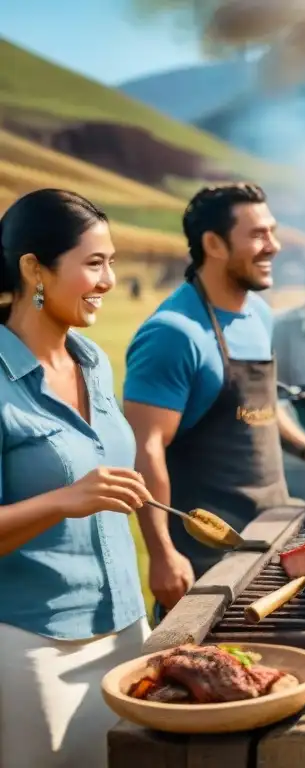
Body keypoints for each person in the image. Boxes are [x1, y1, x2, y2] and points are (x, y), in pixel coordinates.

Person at [123, 183, 305, 617]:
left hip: (272, 536)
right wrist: (160, 553)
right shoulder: (174, 333)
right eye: (257, 235)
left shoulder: (257, 313)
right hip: (207, 563)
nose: (273, 245)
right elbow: (145, 448)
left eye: (272, 231)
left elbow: (261, 405)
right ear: (213, 243)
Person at [0, 190, 151, 767]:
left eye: (112, 261)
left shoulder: (93, 360)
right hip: (33, 649)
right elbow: (75, 494)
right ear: (34, 268)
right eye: (94, 263)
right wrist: (65, 500)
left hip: (126, 630)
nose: (110, 279)